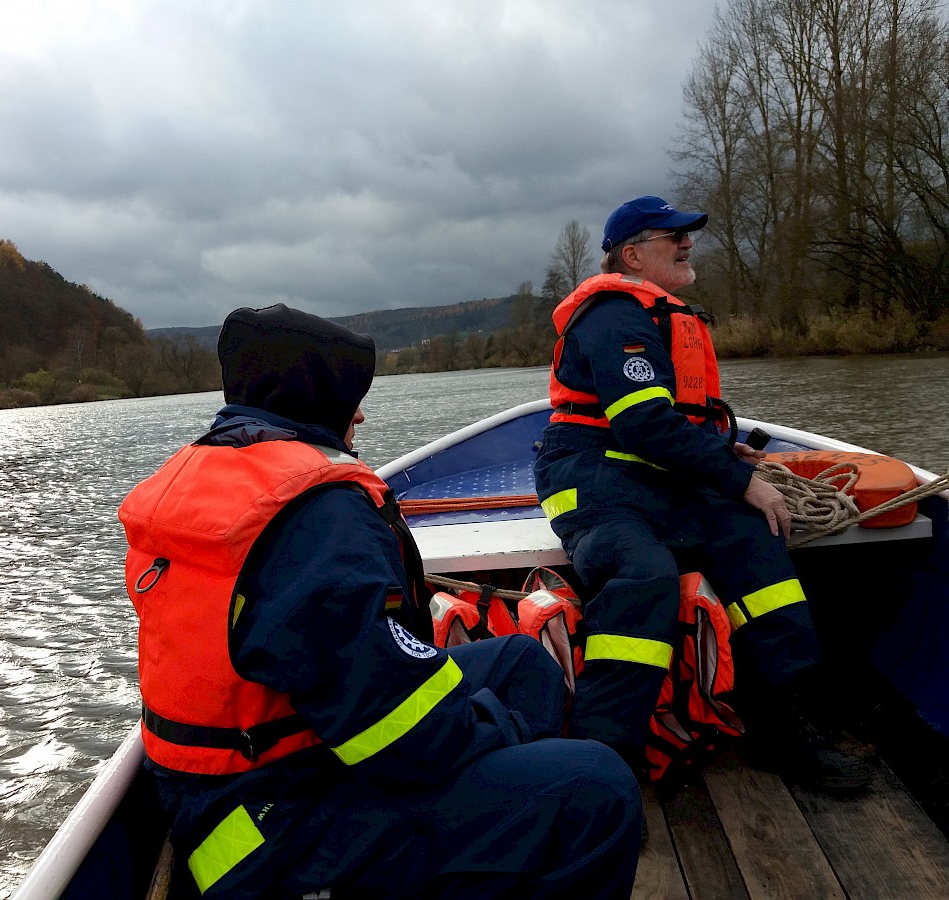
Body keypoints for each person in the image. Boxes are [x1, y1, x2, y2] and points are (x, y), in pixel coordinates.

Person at [119, 303, 643, 899]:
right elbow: (400, 739)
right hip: (278, 833)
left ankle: (498, 846)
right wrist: (500, 730)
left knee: (522, 664)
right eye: (350, 397)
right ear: (312, 399)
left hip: (255, 773)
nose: (361, 415)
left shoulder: (207, 476)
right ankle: (512, 831)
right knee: (600, 788)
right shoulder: (318, 519)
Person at [533, 196, 870, 793]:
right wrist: (745, 482)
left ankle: (782, 729)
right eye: (672, 236)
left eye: (688, 235)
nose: (688, 243)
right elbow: (642, 425)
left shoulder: (661, 313)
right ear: (633, 255)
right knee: (643, 575)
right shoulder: (613, 315)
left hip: (663, 476)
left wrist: (724, 452)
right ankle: (606, 762)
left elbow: (670, 428)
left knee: (759, 553)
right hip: (595, 478)